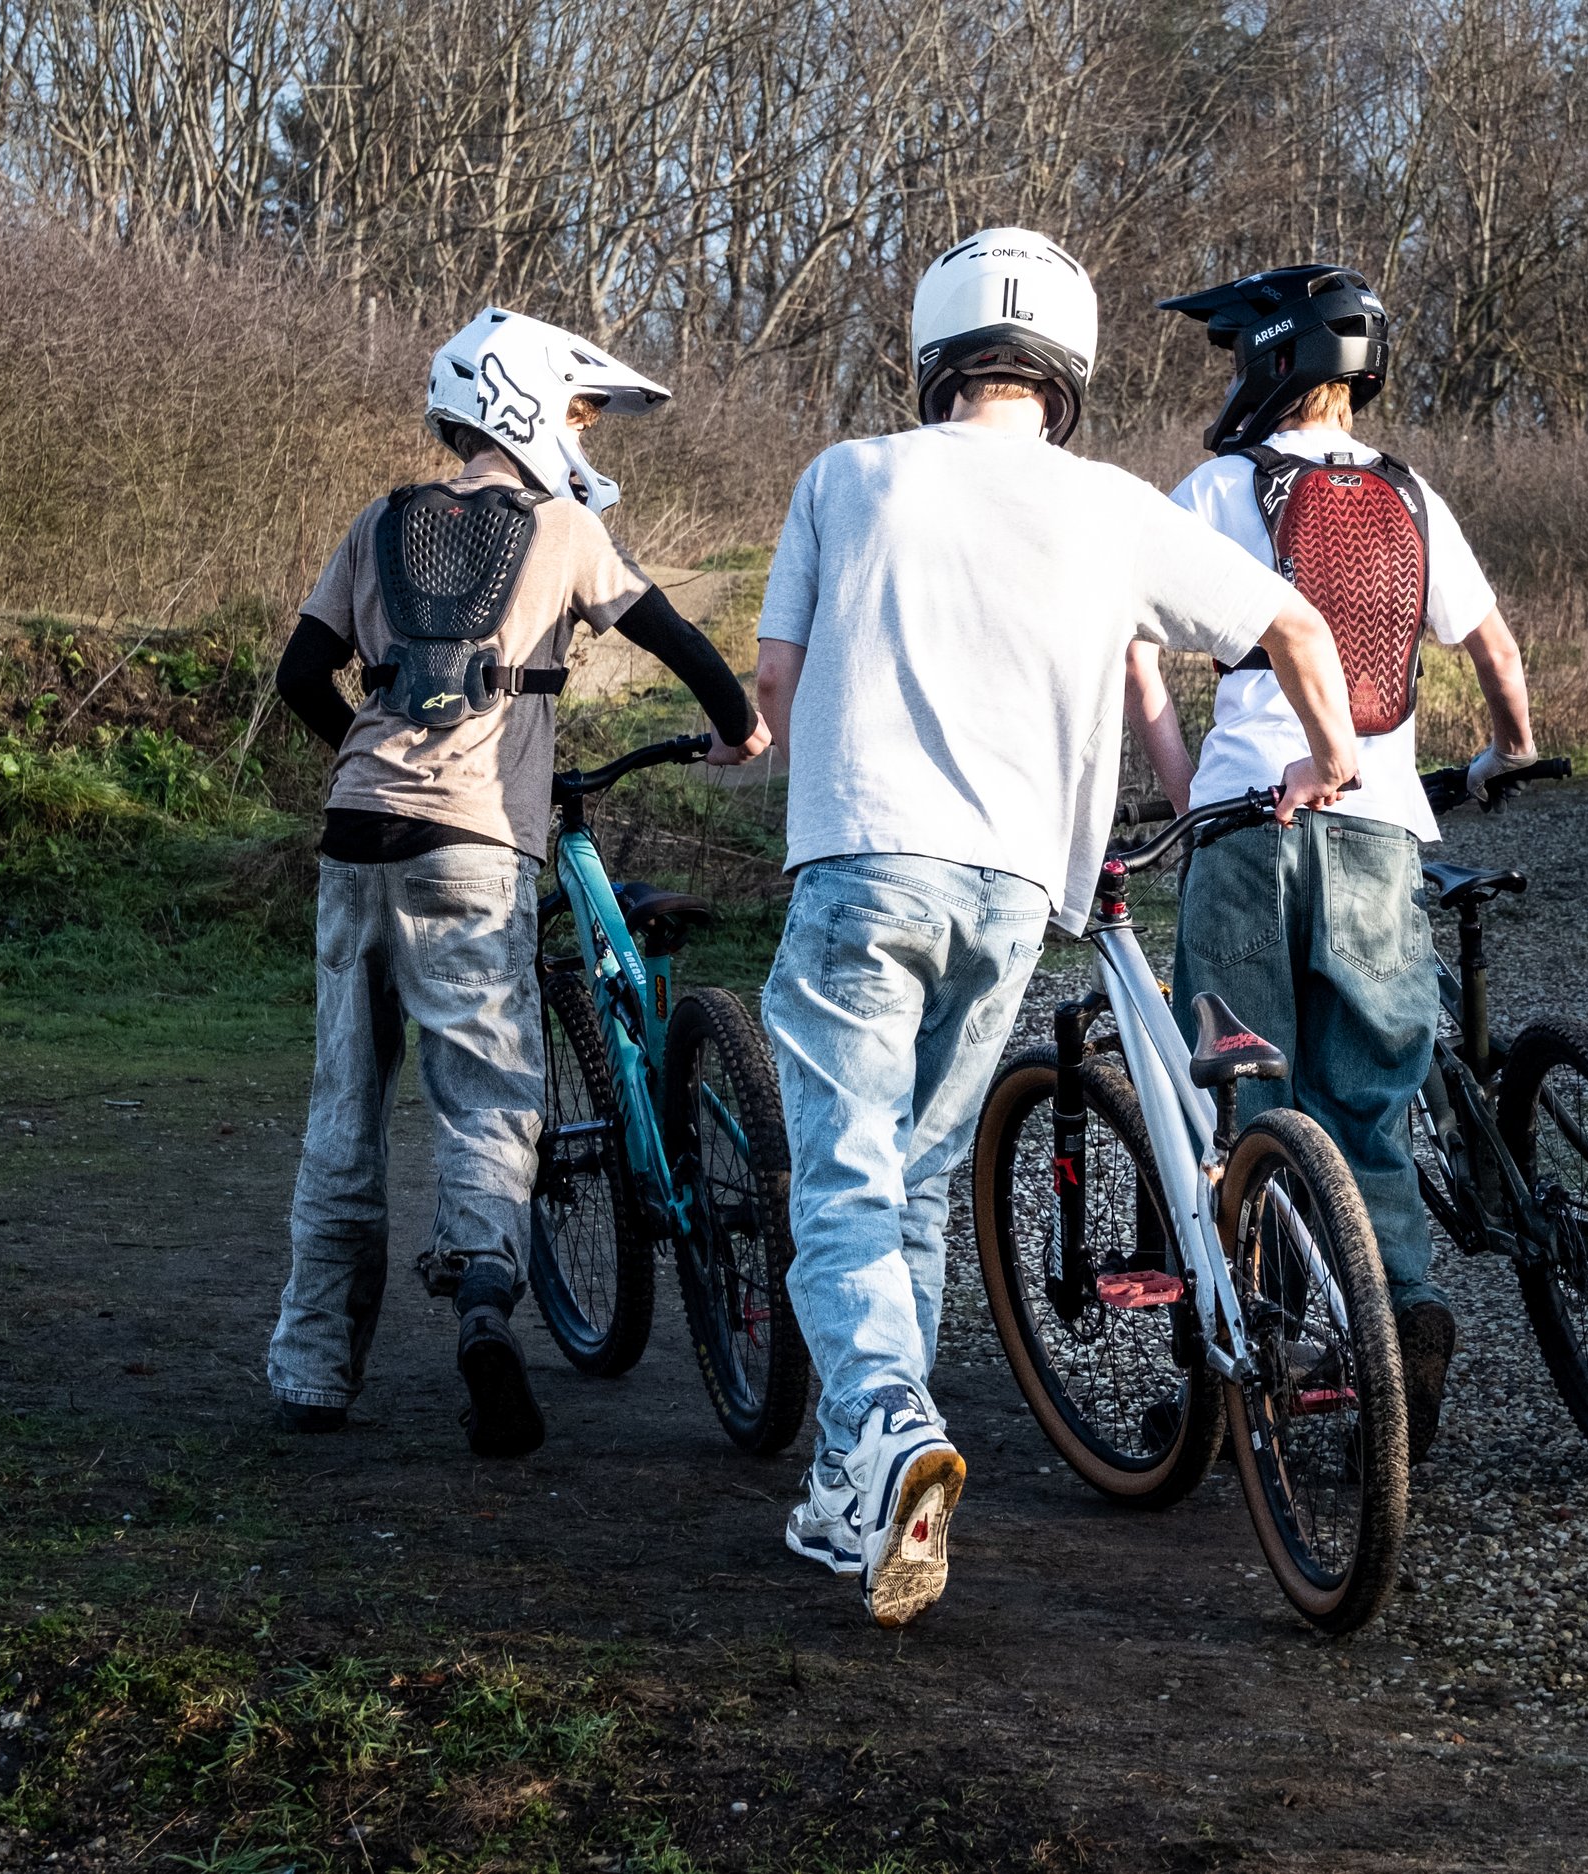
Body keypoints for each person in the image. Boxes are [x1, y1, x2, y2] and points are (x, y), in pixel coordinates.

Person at [752, 229, 1364, 1627]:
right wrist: (1323, 760)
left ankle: (894, 1419)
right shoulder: (1109, 506)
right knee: (909, 1177)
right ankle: (856, 1487)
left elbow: (773, 696)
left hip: (864, 860)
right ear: (1068, 367)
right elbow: (1298, 628)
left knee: (843, 1177)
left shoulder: (846, 477)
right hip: (1014, 894)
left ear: (937, 350)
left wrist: (758, 740)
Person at [266, 307, 770, 1458]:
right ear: (535, 405)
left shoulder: (378, 519)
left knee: (344, 1102)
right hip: (476, 845)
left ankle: (308, 1369)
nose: (588, 432)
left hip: (355, 836)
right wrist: (739, 726)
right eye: (583, 410)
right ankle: (486, 1299)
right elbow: (678, 639)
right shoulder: (563, 533)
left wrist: (371, 752)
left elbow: (303, 675)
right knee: (489, 1094)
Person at [1144, 264, 1539, 1463]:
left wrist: (1185, 795)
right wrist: (1507, 751)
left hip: (1246, 832)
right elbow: (1494, 649)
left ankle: (1227, 1386)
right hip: (1379, 830)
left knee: (1238, 1097)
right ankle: (1404, 1329)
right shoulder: (1415, 497)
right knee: (1368, 1103)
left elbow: (1130, 648)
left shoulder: (1216, 489)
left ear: (1270, 360)